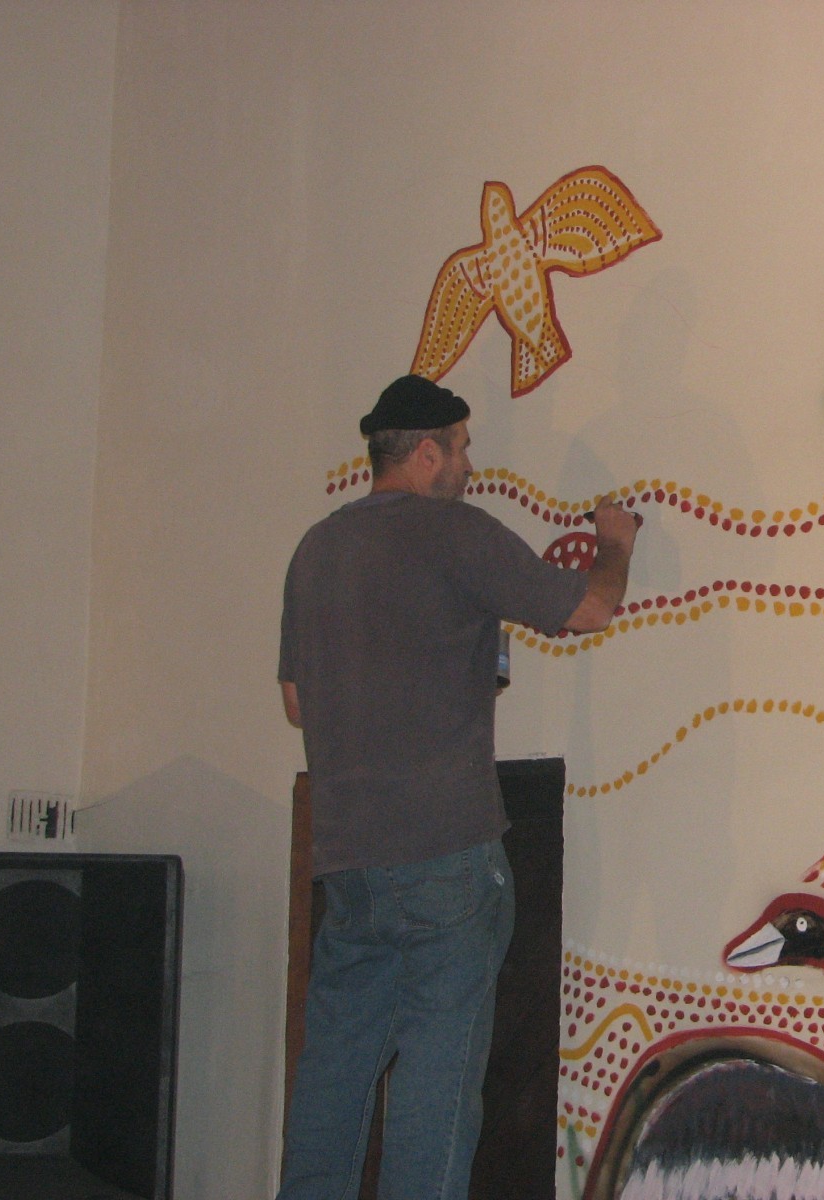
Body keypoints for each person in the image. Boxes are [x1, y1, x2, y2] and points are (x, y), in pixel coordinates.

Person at [276, 374, 636, 1199]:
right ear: (428, 454)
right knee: (435, 1094)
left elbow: (297, 701)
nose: (470, 464)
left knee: (334, 1079)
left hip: (349, 865)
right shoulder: (455, 532)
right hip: (445, 856)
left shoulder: (317, 549)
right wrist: (614, 542)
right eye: (463, 447)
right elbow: (588, 610)